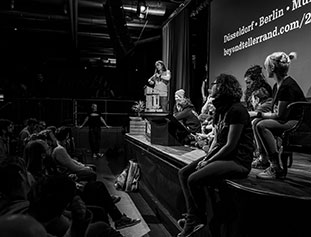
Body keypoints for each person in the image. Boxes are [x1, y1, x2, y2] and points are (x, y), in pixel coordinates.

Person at [177, 74, 254, 237]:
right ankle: (193, 217)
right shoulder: (220, 110)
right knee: (183, 173)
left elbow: (230, 145)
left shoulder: (237, 110)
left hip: (238, 160)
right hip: (225, 155)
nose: (212, 86)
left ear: (224, 87)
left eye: (216, 83)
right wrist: (206, 158)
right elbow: (217, 141)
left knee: (193, 178)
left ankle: (197, 219)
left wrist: (209, 161)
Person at [255, 52, 306, 180]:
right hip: (288, 119)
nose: (265, 69)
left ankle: (275, 167)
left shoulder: (287, 86)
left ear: (272, 68)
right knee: (255, 122)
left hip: (298, 123)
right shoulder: (277, 86)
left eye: (266, 66)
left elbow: (280, 115)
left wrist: (257, 113)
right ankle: (264, 159)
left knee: (261, 125)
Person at [248, 88, 273, 169]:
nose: (252, 103)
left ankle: (263, 157)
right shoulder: (269, 102)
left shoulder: (265, 105)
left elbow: (250, 115)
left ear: (257, 99)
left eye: (252, 101)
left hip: (270, 129)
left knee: (254, 123)